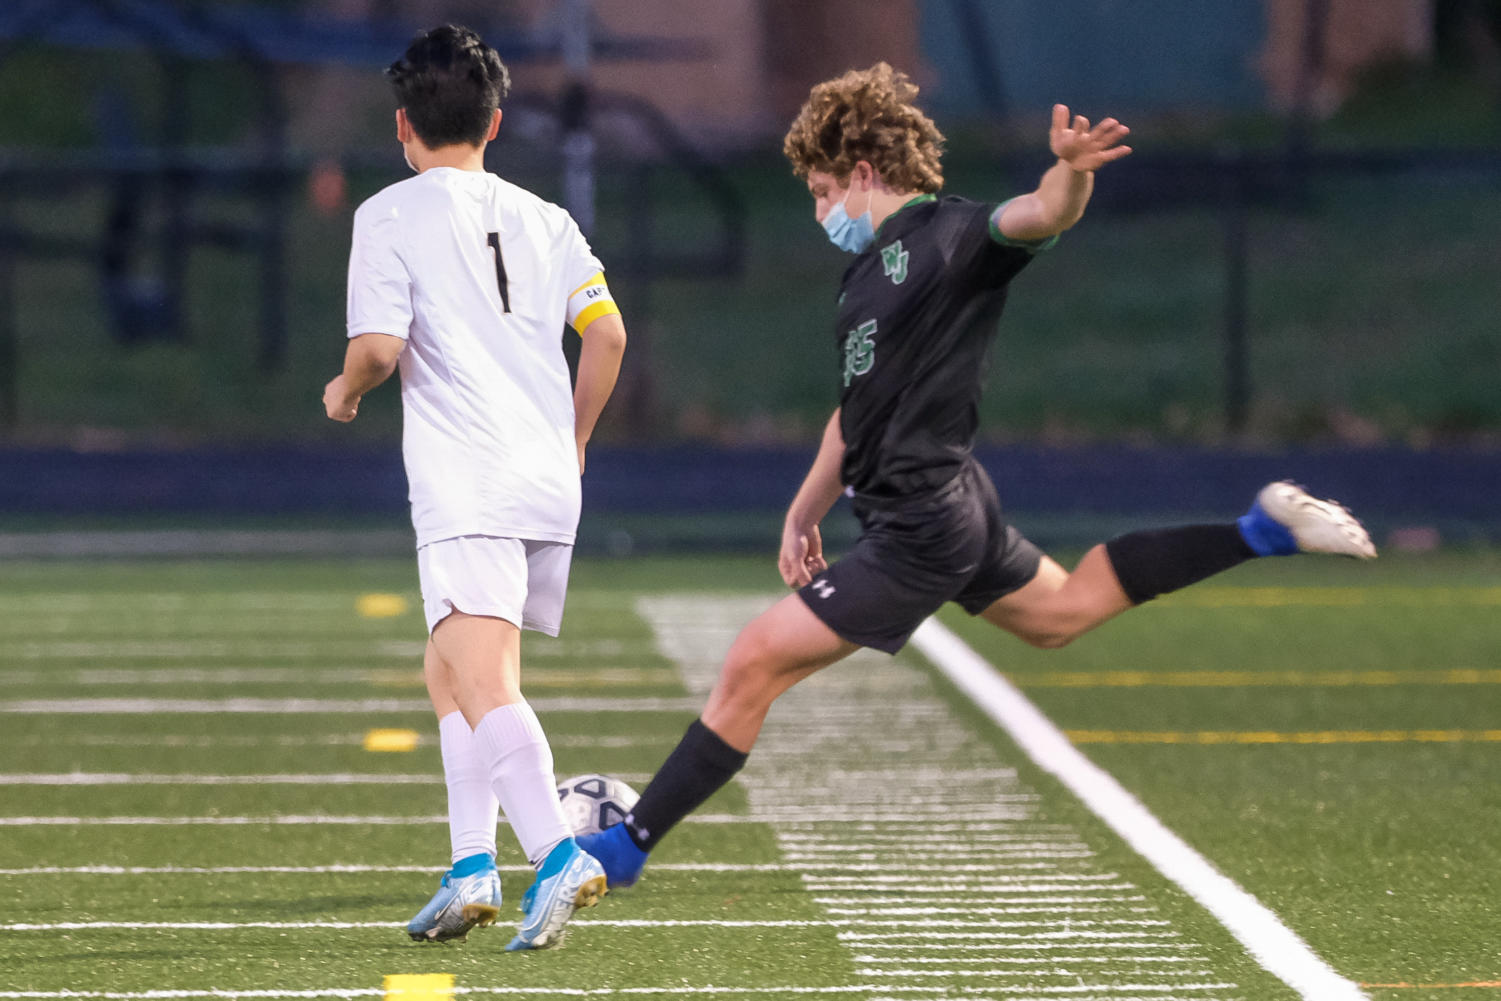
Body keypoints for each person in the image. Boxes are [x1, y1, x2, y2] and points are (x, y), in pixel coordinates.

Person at [577, 63, 1375, 887]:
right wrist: (802, 511)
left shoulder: (948, 238)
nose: (819, 213)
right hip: (948, 504)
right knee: (1060, 613)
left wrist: (1068, 171)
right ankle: (1260, 530)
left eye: (820, 191)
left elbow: (1035, 216)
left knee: (751, 661)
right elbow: (855, 412)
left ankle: (623, 846)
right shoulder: (866, 274)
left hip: (923, 523)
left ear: (860, 172)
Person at [322, 24, 628, 950]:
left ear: (403, 126)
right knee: (448, 669)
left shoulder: (389, 212)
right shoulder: (548, 217)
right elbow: (607, 337)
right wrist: (575, 439)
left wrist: (344, 389)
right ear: (495, 122)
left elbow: (378, 348)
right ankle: (469, 867)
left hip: (470, 479)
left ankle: (557, 855)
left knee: (482, 676)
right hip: (542, 474)